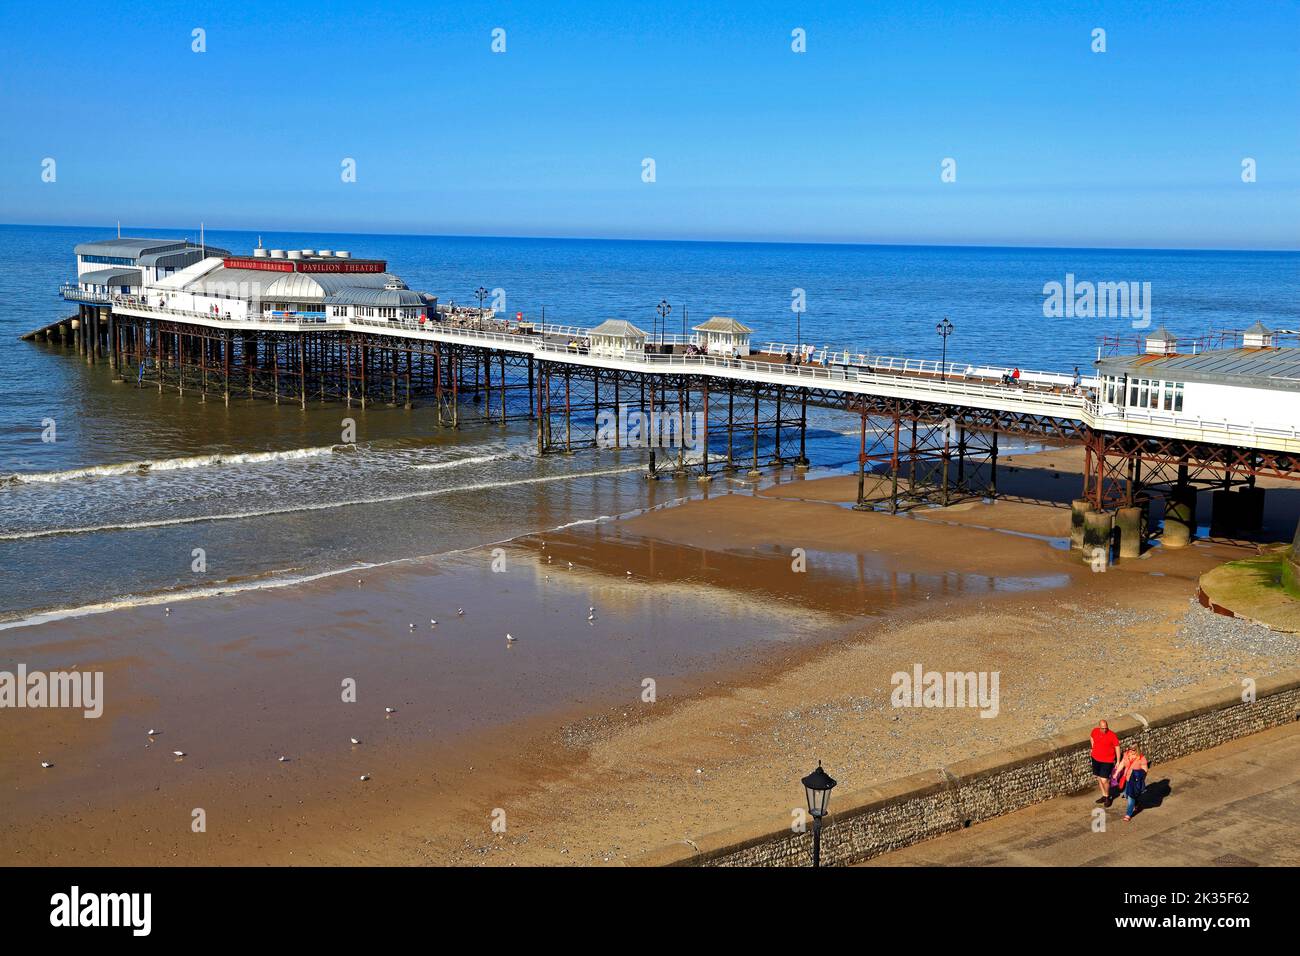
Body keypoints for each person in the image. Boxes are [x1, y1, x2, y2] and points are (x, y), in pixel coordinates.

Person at [1089, 719, 1121, 806]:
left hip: (1107, 760)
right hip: (1095, 758)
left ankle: (1107, 796)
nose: (1105, 730)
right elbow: (1091, 737)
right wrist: (1092, 748)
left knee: (1104, 780)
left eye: (1106, 728)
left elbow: (1117, 747)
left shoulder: (1112, 735)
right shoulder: (1095, 731)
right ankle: (1104, 795)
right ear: (1099, 727)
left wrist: (1118, 761)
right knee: (1099, 778)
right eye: (1103, 728)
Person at [1113, 747, 1149, 821]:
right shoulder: (1126, 754)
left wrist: (1138, 777)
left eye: (1133, 749)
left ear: (1137, 749)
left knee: (1130, 797)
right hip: (1127, 778)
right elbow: (1122, 763)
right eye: (1130, 749)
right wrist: (1116, 773)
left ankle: (1128, 814)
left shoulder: (1141, 758)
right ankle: (1136, 804)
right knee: (1126, 795)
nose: (1131, 751)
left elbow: (1145, 771)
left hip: (1134, 781)